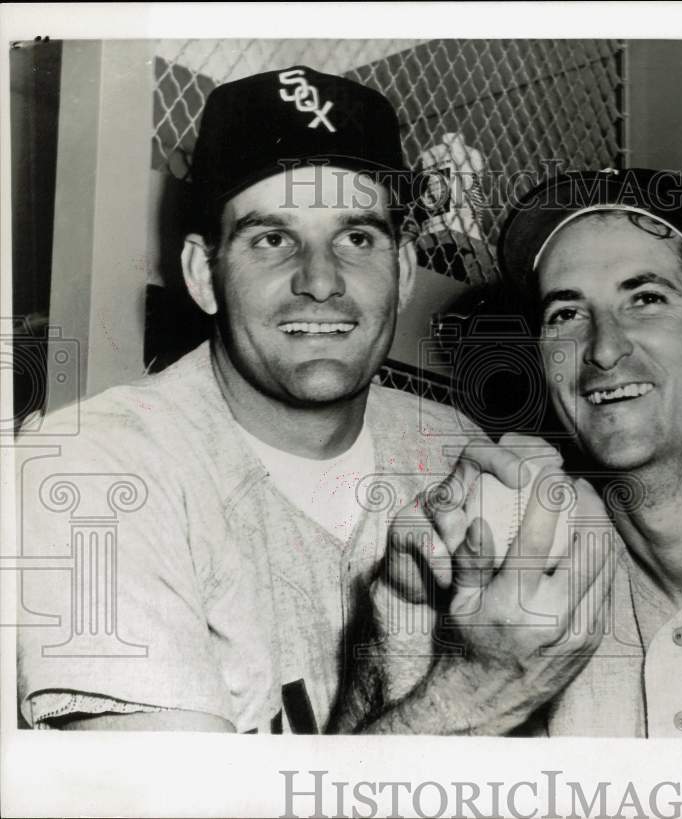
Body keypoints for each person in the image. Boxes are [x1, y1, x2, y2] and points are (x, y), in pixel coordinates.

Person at [16, 67, 612, 734]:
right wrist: (474, 691)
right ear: (202, 276)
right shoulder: (90, 470)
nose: (321, 280)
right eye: (272, 239)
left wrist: (397, 627)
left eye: (357, 237)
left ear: (403, 273)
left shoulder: (452, 450)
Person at [361, 169, 682, 739]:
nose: (604, 348)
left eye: (645, 299)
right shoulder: (537, 551)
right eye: (565, 314)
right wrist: (402, 616)